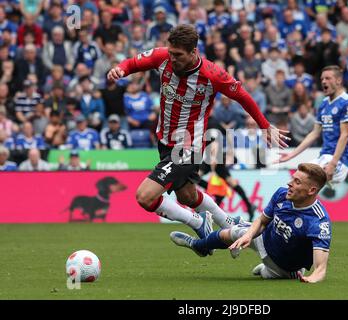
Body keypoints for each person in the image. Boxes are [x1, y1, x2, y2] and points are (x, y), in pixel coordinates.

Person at [107, 25, 288, 240]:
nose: (173, 58)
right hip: (165, 141)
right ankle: (229, 222)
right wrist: (120, 69)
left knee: (144, 197)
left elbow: (243, 97)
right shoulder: (161, 56)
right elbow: (133, 63)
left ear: (194, 52)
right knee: (187, 196)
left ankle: (197, 221)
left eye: (178, 55)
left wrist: (264, 125)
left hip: (188, 145)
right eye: (171, 52)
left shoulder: (212, 74)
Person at [170, 163, 331, 282]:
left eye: (297, 182)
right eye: (292, 178)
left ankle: (265, 269)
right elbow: (261, 221)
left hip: (284, 267)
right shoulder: (282, 194)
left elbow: (320, 269)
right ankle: (199, 245)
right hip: (266, 238)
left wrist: (312, 278)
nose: (290, 183)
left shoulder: (318, 222)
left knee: (268, 274)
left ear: (311, 191)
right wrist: (249, 234)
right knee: (236, 232)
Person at [277, 65, 348, 184]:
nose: (324, 81)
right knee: (294, 181)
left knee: (301, 183)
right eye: (322, 79)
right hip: (324, 156)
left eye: (328, 78)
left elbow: (345, 135)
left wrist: (333, 164)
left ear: (338, 80)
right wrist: (291, 155)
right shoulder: (324, 103)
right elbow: (314, 133)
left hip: (339, 160)